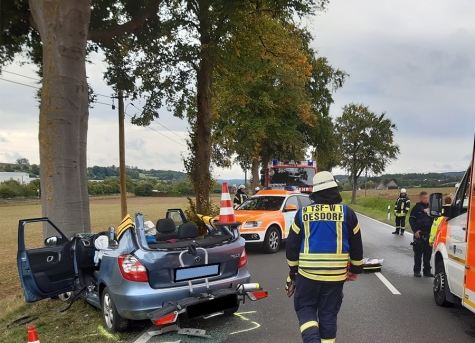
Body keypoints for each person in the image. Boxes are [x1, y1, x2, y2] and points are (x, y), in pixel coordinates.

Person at [286, 171, 363, 343]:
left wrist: (293, 270)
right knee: (328, 312)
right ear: (334, 190)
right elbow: (357, 244)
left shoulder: (303, 214)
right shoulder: (347, 213)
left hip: (307, 274)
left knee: (305, 307)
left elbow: (292, 245)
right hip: (336, 276)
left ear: (316, 192)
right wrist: (356, 269)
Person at [409, 191, 434, 277]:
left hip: (429, 234)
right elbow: (411, 220)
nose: (426, 199)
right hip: (419, 233)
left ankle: (427, 271)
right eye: (424, 198)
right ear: (420, 198)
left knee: (428, 253)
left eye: (427, 198)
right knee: (418, 252)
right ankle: (417, 271)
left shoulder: (432, 208)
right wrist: (415, 231)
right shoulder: (416, 208)